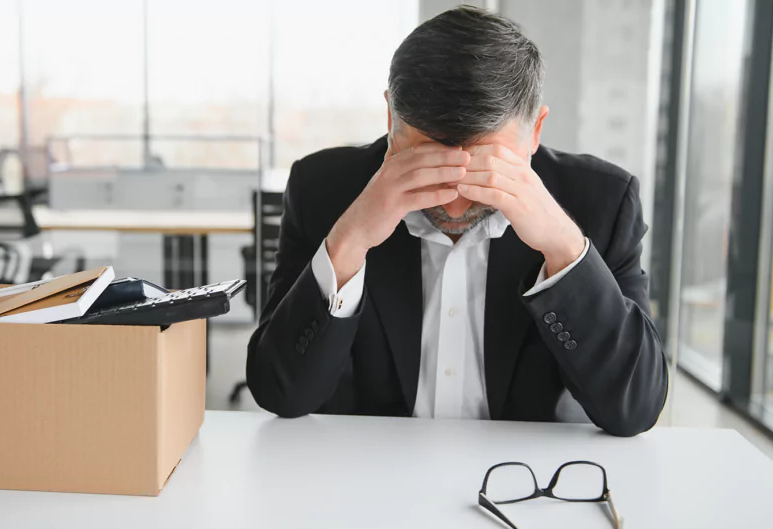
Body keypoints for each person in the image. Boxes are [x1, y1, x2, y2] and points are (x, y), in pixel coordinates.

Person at [245, 6, 667, 437]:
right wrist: (350, 241)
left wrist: (564, 249)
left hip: (522, 481)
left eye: (486, 170)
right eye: (426, 165)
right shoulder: (323, 190)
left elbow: (634, 407)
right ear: (392, 119)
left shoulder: (602, 202)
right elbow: (280, 393)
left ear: (535, 130)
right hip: (367, 478)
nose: (454, 204)